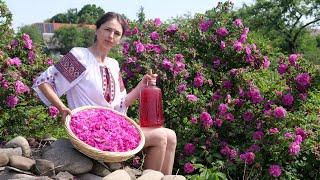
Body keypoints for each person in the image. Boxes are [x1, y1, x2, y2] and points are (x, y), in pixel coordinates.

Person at [32, 12, 177, 175]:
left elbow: (121, 103)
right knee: (160, 137)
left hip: (112, 129)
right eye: (107, 29)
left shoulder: (113, 64)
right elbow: (44, 82)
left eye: (117, 33)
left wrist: (142, 85)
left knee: (170, 135)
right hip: (88, 132)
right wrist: (62, 108)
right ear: (97, 30)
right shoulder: (81, 57)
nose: (111, 36)